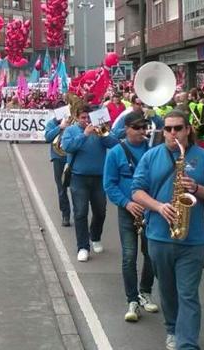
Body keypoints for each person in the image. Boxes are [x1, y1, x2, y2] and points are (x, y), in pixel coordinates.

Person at [131, 109, 204, 350]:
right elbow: (136, 191)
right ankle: (172, 328)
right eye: (168, 129)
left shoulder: (203, 157)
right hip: (158, 237)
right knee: (168, 290)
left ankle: (187, 344)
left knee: (188, 294)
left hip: (192, 240)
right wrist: (158, 206)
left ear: (187, 130)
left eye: (178, 128)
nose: (173, 133)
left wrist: (197, 188)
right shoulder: (151, 156)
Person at [103, 112, 158, 322]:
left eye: (144, 127)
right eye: (137, 128)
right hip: (128, 211)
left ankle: (145, 292)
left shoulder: (153, 151)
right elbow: (109, 184)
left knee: (150, 253)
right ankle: (132, 299)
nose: (142, 132)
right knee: (129, 255)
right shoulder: (115, 152)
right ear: (126, 128)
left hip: (149, 210)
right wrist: (127, 203)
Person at [61, 106, 119, 262]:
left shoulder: (100, 130)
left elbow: (115, 144)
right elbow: (66, 147)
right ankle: (83, 247)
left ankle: (95, 236)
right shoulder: (71, 131)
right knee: (80, 213)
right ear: (77, 117)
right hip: (78, 178)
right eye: (83, 118)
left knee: (100, 211)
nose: (87, 121)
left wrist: (103, 134)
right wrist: (84, 135)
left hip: (99, 177)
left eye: (89, 118)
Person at [44, 113, 71, 226]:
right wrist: (60, 127)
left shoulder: (72, 121)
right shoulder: (52, 123)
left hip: (71, 157)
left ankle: (79, 214)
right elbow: (47, 138)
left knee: (76, 188)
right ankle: (66, 214)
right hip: (58, 158)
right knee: (61, 188)